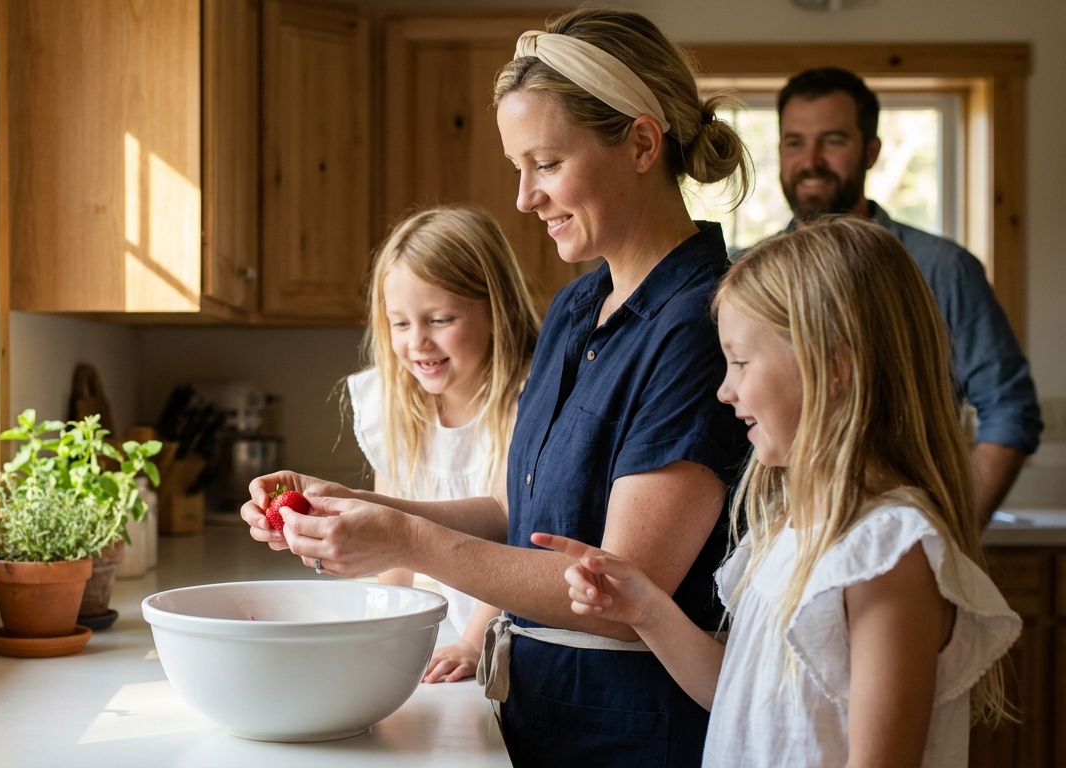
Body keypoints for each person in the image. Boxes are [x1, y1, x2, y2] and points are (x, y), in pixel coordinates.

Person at [243, 9, 752, 765]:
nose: (524, 197)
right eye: (519, 167)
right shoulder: (580, 306)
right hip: (536, 712)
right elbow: (522, 513)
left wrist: (407, 538)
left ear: (642, 143)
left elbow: (620, 596)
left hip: (636, 731)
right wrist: (363, 505)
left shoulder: (701, 322)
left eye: (546, 163)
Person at [538, 217, 1021, 767]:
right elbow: (742, 696)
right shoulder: (788, 526)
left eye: (740, 362)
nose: (725, 389)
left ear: (833, 368)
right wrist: (645, 607)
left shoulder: (887, 552)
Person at [773, 67, 1042, 524]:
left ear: (871, 151)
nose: (811, 160)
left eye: (833, 140)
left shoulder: (942, 268)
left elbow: (1009, 410)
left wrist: (952, 534)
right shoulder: (753, 272)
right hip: (781, 538)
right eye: (794, 142)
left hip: (903, 532)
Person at [348, 204, 540, 683]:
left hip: (519, 639)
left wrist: (475, 642)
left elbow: (512, 535)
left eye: (438, 319)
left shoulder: (528, 402)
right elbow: (392, 537)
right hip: (462, 642)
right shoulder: (392, 405)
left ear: (496, 310)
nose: (418, 343)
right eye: (400, 323)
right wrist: (383, 629)